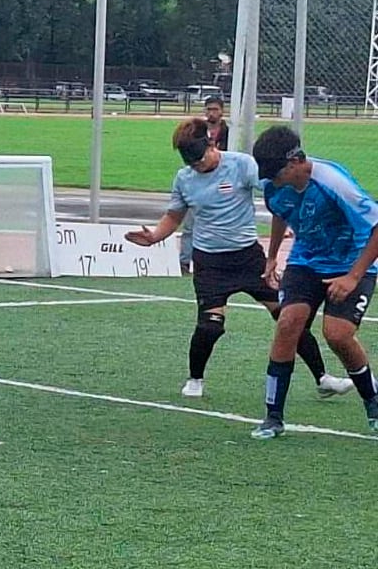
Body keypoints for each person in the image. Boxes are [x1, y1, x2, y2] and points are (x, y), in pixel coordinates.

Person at [125, 118, 350, 400]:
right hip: (210, 263)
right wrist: (156, 236)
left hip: (248, 259)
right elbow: (174, 216)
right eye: (191, 163)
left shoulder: (241, 165)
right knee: (210, 326)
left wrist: (298, 217)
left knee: (288, 318)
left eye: (200, 158)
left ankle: (323, 377)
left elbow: (277, 185)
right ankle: (195, 378)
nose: (197, 166)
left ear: (212, 144)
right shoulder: (184, 179)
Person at [249, 125, 378, 439]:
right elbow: (282, 212)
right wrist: (272, 256)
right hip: (305, 261)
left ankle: (372, 402)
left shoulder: (333, 183)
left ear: (295, 162)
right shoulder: (275, 187)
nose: (270, 179)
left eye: (275, 171)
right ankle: (273, 416)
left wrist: (352, 277)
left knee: (338, 334)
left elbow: (376, 227)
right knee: (288, 322)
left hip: (352, 262)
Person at [178, 95, 232, 274]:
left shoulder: (229, 132)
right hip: (201, 179)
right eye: (208, 109)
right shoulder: (197, 132)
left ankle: (221, 261)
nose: (211, 113)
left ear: (222, 111)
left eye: (215, 109)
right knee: (190, 223)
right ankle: (185, 262)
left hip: (222, 180)